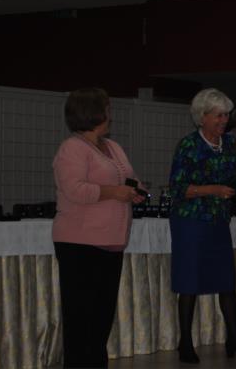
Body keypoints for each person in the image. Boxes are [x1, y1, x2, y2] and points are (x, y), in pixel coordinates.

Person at [52, 88, 147, 368]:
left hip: (111, 242)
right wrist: (114, 192)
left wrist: (136, 190)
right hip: (79, 244)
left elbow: (128, 177)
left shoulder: (112, 146)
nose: (110, 114)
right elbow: (75, 189)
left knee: (101, 316)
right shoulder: (72, 148)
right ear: (92, 112)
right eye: (107, 109)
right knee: (80, 317)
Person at [168, 88, 236, 364]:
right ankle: (185, 342)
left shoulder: (229, 144)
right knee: (189, 281)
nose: (224, 120)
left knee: (226, 280)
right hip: (190, 220)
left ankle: (235, 338)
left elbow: (231, 179)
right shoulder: (188, 145)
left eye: (226, 115)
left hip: (219, 219)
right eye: (218, 115)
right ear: (202, 117)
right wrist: (213, 189)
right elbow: (178, 188)